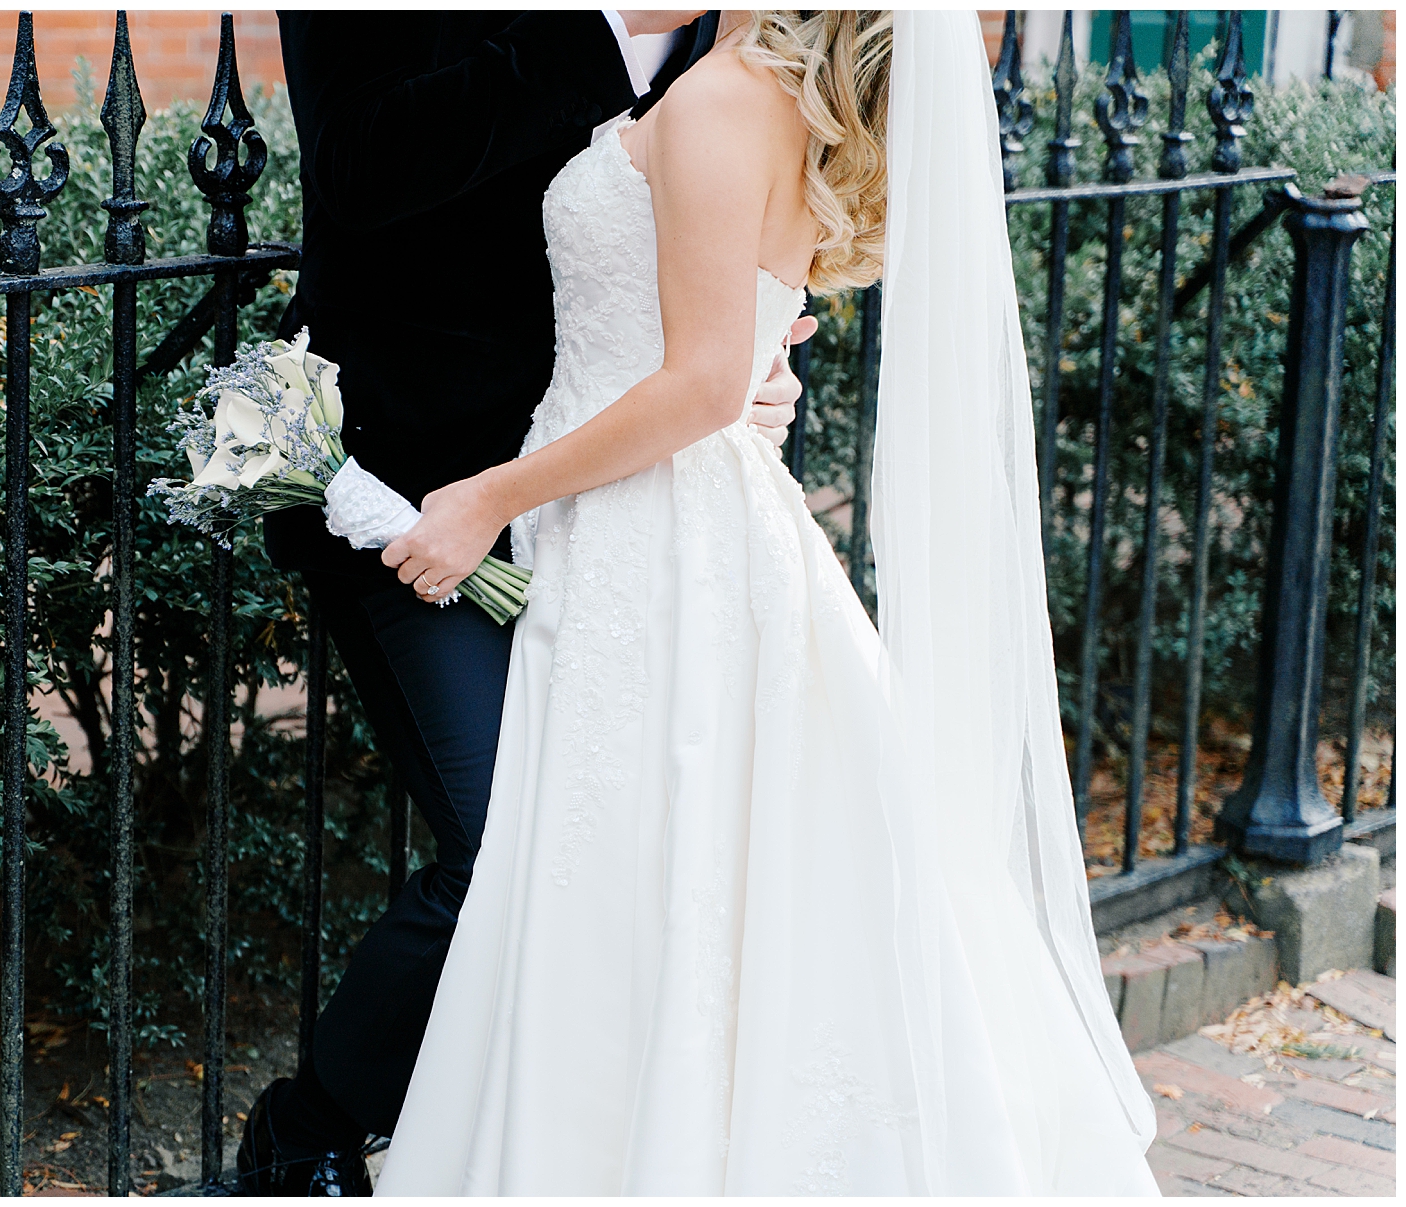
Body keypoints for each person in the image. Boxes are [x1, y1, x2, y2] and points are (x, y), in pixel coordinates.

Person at [373, 11, 1161, 1194]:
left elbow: (693, 386)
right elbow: (723, 341)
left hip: (656, 536)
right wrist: (757, 362)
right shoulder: (751, 93)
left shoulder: (723, 100)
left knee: (635, 878)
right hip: (653, 525)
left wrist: (487, 495)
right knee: (668, 875)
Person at [243, 11, 814, 1195]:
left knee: (642, 838)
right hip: (421, 497)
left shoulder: (731, 27)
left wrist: (756, 355)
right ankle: (307, 1128)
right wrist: (611, 26)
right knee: (508, 839)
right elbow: (361, 168)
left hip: (626, 505)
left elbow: (704, 218)